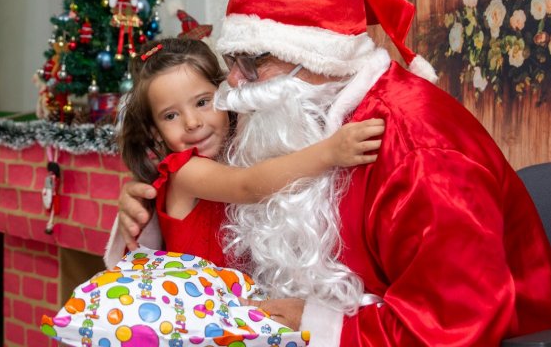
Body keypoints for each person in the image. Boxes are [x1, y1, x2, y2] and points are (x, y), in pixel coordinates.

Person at [114, 0, 551, 346]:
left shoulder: (419, 150)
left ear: (316, 57)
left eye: (252, 63)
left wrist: (313, 324)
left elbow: (454, 326)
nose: (232, 85)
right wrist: (149, 211)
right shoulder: (297, 114)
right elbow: (227, 195)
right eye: (231, 62)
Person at [108, 37, 384, 268]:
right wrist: (329, 152)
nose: (192, 122)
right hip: (199, 313)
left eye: (203, 102)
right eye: (170, 116)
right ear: (155, 132)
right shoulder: (184, 171)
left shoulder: (234, 147)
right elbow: (247, 185)